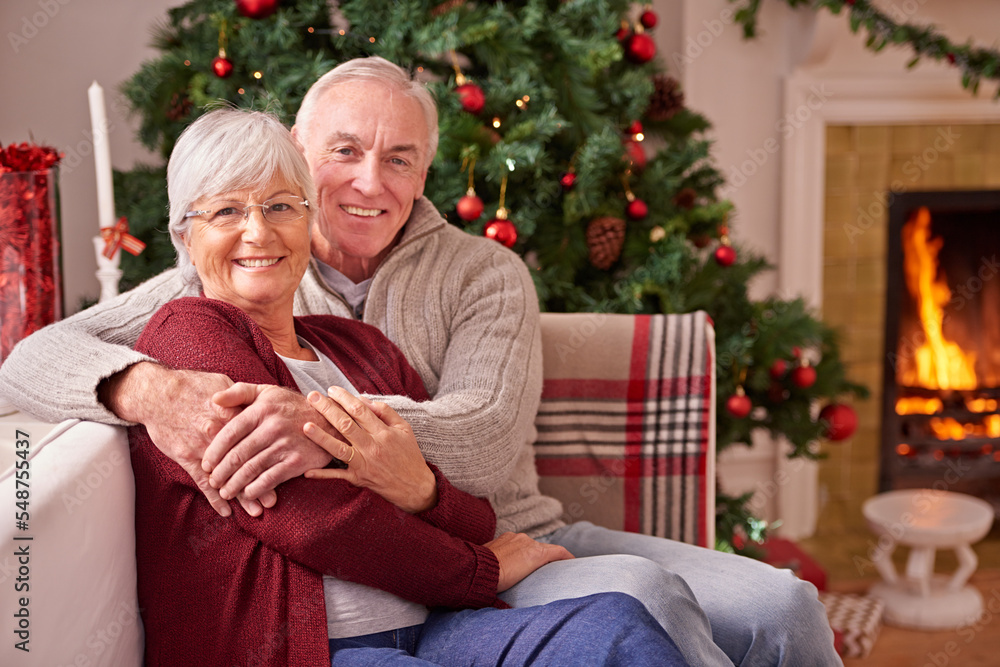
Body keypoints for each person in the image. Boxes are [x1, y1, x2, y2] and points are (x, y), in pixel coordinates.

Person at [0, 58, 840, 666]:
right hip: (424, 575)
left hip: (512, 529)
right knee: (640, 604)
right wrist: (146, 388)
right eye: (344, 152)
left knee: (787, 601)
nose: (371, 181)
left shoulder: (477, 275)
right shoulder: (214, 275)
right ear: (298, 151)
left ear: (426, 172)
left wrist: (319, 426)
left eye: (400, 158)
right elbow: (30, 358)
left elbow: (480, 440)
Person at [130, 106, 688, 666]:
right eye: (227, 211)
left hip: (435, 631)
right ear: (185, 231)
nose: (258, 231)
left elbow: (474, 515)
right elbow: (309, 516)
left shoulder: (359, 347)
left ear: (308, 222)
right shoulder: (188, 334)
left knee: (616, 629)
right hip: (302, 653)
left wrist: (422, 490)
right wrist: (481, 570)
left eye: (280, 206)